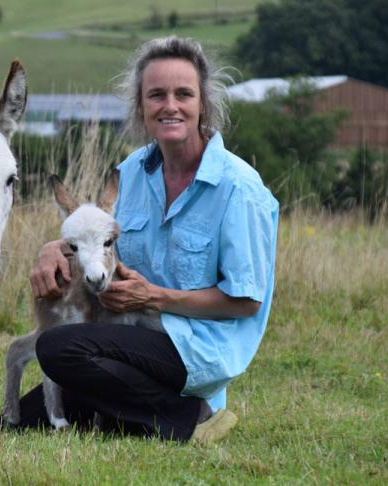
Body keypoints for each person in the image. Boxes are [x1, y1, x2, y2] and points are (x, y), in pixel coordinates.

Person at [21, 36, 279, 444]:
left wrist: (153, 297)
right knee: (21, 419)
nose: (170, 106)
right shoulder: (131, 173)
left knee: (56, 349)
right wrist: (52, 249)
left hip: (194, 348)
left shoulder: (239, 189)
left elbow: (247, 302)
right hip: (128, 332)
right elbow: (93, 234)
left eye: (184, 94)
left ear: (203, 105)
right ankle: (131, 414)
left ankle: (190, 414)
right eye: (156, 94)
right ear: (140, 106)